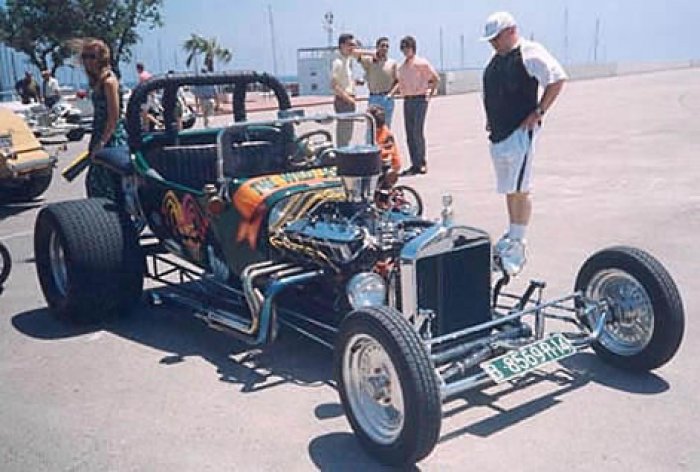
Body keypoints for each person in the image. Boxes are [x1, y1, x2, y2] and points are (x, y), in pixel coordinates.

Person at [480, 11, 567, 274]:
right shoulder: (496, 60)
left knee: (521, 188)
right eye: (491, 40)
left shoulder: (529, 53)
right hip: (499, 134)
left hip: (520, 132)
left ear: (511, 31)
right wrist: (490, 119)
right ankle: (512, 233)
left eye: (496, 38)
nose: (493, 44)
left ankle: (519, 243)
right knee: (509, 187)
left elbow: (557, 78)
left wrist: (539, 111)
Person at [79, 38, 128, 200]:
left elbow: (114, 116)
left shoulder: (109, 81)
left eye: (92, 56)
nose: (87, 61)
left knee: (107, 183)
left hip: (111, 137)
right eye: (85, 56)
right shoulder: (97, 81)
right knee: (96, 182)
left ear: (101, 58)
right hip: (99, 133)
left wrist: (102, 142)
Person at [391, 35, 439, 176]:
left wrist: (429, 95)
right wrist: (391, 94)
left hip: (419, 99)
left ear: (413, 48)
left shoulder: (421, 63)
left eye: (408, 48)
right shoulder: (402, 67)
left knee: (418, 131)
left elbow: (435, 78)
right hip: (407, 100)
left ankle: (422, 162)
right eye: (403, 48)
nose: (405, 51)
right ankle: (414, 163)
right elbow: (399, 83)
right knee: (410, 133)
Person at [359, 37, 399, 128]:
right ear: (377, 47)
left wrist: (390, 95)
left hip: (387, 99)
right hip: (374, 98)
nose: (385, 48)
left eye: (387, 46)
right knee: (372, 126)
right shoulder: (369, 61)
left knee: (386, 126)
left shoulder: (392, 63)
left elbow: (398, 82)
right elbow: (354, 52)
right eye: (382, 46)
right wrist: (371, 53)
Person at [368, 105, 401, 208]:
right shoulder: (380, 131)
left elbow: (383, 150)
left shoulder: (382, 133)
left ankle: (381, 201)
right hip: (384, 162)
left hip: (385, 163)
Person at [331, 33, 358, 147]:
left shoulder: (348, 61)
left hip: (349, 100)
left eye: (354, 45)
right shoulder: (338, 62)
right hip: (343, 101)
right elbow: (334, 85)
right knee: (343, 133)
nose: (353, 47)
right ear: (342, 45)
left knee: (348, 133)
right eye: (350, 45)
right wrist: (348, 99)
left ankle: (345, 152)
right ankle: (342, 154)